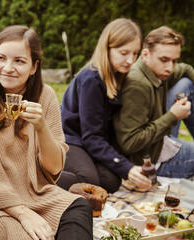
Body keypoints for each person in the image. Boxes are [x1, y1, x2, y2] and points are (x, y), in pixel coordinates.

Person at [0, 25, 93, 240]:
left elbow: (55, 168)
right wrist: (23, 213)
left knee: (80, 207)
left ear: (34, 66)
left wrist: (40, 127)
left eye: (19, 61)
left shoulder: (45, 96)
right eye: (1, 58)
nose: (8, 68)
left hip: (33, 192)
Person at [58, 18, 152, 193]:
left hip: (87, 141)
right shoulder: (91, 79)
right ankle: (35, 177)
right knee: (88, 180)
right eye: (124, 52)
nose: (130, 60)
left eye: (135, 53)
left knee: (110, 181)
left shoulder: (120, 75)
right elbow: (91, 136)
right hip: (68, 138)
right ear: (107, 48)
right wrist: (128, 168)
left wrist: (125, 166)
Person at [114, 26, 194, 179]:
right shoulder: (137, 86)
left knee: (185, 83)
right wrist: (173, 116)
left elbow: (185, 68)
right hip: (148, 161)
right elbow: (129, 143)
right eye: (164, 60)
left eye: (174, 60)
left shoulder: (158, 69)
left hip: (159, 140)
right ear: (145, 54)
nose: (170, 67)